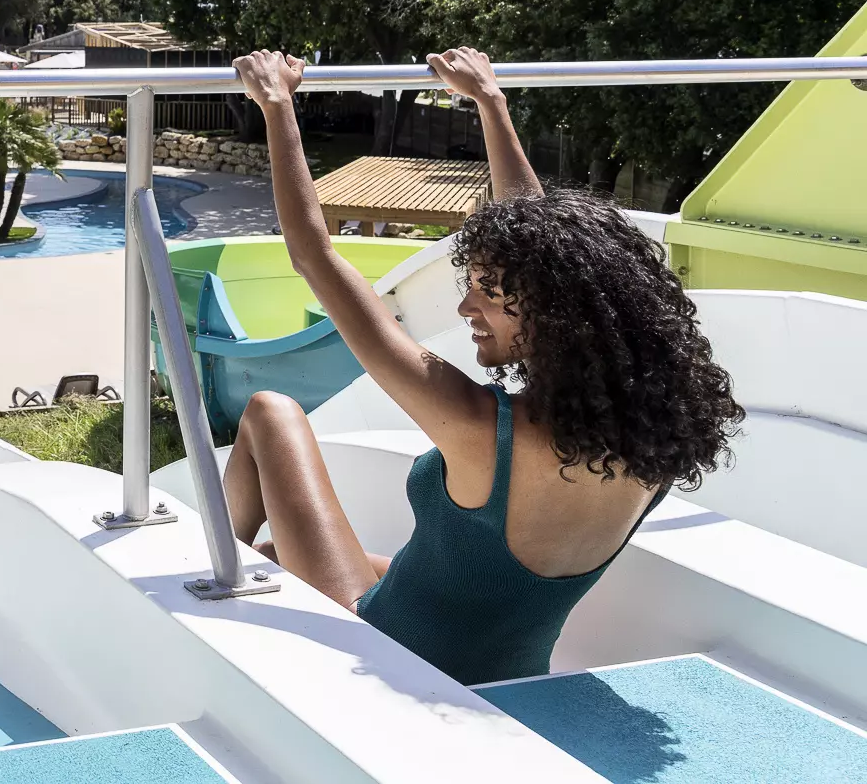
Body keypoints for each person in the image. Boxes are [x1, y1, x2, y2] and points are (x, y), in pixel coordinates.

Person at [224, 46, 742, 685]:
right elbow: (542, 248)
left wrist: (277, 105)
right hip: (512, 678)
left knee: (270, 413)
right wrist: (490, 103)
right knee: (281, 554)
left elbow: (315, 257)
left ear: (554, 312)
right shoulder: (651, 444)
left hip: (393, 655)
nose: (467, 306)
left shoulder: (480, 428)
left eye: (490, 293)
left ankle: (205, 576)